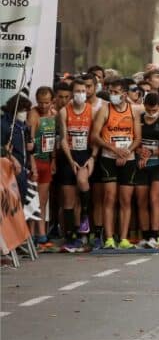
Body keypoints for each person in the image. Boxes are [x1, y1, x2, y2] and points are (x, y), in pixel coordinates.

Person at [89, 79, 141, 249]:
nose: (112, 95)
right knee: (109, 197)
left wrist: (126, 151)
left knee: (125, 199)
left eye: (116, 92)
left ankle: (124, 238)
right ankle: (109, 238)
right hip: (108, 158)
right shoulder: (105, 109)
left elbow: (138, 138)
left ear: (124, 94)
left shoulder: (133, 110)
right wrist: (114, 149)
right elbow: (95, 135)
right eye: (111, 92)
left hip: (128, 158)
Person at [57, 78, 94, 252]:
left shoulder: (91, 110)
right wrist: (70, 159)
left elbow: (95, 136)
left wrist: (92, 157)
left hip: (85, 154)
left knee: (82, 181)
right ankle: (71, 236)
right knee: (69, 199)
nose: (81, 94)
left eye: (83, 91)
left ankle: (85, 217)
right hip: (69, 155)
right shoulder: (64, 111)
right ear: (72, 93)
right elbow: (63, 138)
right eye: (77, 91)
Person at [135, 93, 159, 249]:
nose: (151, 113)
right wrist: (140, 151)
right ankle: (145, 236)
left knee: (154, 198)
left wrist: (150, 153)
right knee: (141, 200)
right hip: (141, 163)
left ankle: (154, 236)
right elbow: (134, 141)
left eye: (154, 110)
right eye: (148, 110)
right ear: (144, 105)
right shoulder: (139, 118)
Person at [27, 86, 57, 248]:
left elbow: (54, 140)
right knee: (33, 199)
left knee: (43, 199)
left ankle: (42, 233)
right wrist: (32, 165)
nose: (43, 106)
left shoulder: (54, 115)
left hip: (46, 161)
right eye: (40, 102)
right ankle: (31, 234)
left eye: (46, 102)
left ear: (52, 101)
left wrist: (53, 160)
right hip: (35, 161)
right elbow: (29, 142)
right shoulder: (33, 114)